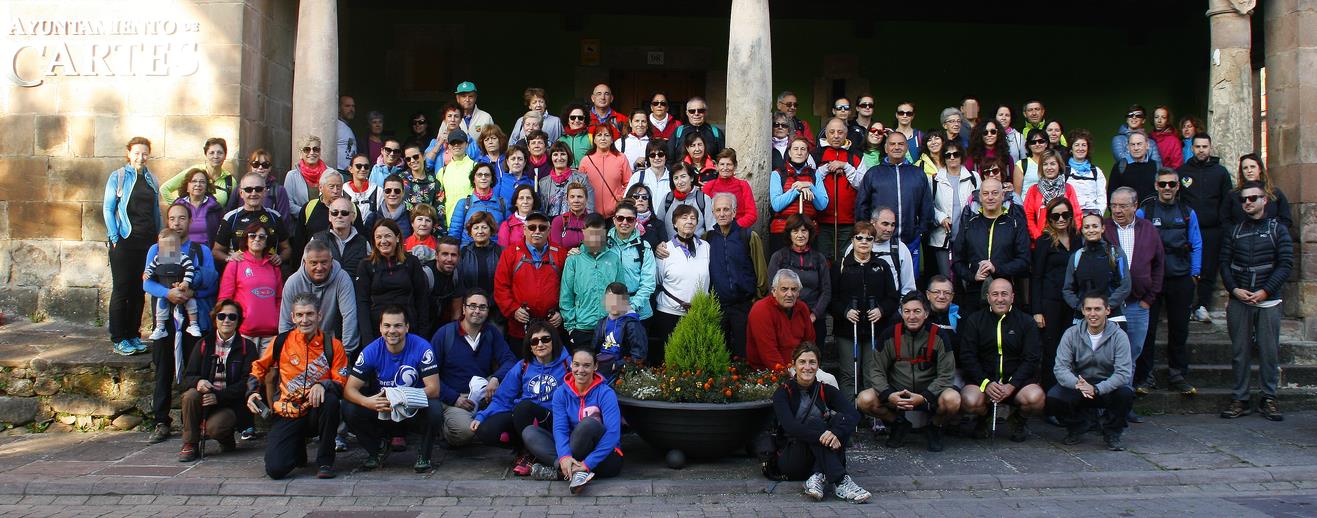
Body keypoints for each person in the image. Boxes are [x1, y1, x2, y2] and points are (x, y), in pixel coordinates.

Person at [246, 293, 347, 479]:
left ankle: (325, 461)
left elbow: (341, 383)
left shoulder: (333, 346)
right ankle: (297, 449)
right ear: (292, 317)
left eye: (310, 314)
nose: (305, 320)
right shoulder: (280, 341)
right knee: (275, 470)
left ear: (319, 315)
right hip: (288, 410)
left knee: (331, 400)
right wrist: (251, 392)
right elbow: (259, 367)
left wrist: (323, 385)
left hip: (316, 411)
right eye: (300, 315)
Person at [143, 204, 219, 442]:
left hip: (193, 319)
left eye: (182, 218)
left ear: (190, 221)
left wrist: (190, 288)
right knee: (164, 368)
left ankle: (195, 421)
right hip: (166, 321)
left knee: (194, 370)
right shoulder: (158, 248)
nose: (177, 223)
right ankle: (161, 421)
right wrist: (168, 294)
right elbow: (148, 282)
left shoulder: (199, 250)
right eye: (172, 218)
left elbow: (211, 280)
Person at [1219, 182, 1294, 421]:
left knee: (1269, 352)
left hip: (1268, 300)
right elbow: (1224, 263)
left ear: (1265, 201)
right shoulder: (1234, 230)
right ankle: (1240, 398)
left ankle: (1269, 397)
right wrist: (1234, 289)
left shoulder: (1278, 229)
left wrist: (1265, 291)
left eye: (1253, 198)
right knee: (1240, 352)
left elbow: (1285, 264)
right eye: (1244, 200)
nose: (1248, 203)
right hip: (1240, 299)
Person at [341, 306, 443, 472]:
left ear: (407, 327)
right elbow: (349, 389)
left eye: (398, 326)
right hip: (383, 409)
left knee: (435, 409)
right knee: (348, 407)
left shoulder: (422, 347)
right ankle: (377, 449)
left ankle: (424, 455)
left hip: (412, 408)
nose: (392, 331)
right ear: (380, 327)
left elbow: (434, 389)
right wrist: (367, 402)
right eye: (387, 325)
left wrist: (399, 397)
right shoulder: (371, 351)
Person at [856, 292, 960, 452]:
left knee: (953, 399)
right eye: (907, 311)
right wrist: (889, 394)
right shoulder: (889, 335)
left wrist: (925, 396)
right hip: (897, 393)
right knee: (864, 399)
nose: (912, 316)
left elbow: (946, 374)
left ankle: (935, 426)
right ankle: (898, 423)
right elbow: (876, 371)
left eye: (917, 311)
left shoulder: (939, 335)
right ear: (901, 312)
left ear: (926, 313)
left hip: (929, 394)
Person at [767, 342, 869, 503]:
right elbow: (791, 427)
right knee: (817, 424)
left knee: (838, 422)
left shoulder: (825, 389)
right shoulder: (783, 393)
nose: (807, 367)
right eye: (802, 362)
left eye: (812, 362)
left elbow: (853, 415)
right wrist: (825, 435)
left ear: (818, 366)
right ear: (793, 365)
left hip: (818, 455)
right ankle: (841, 480)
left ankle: (817, 476)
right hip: (793, 458)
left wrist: (835, 432)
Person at [1135, 169, 1202, 396]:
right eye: (1162, 184)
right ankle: (1145, 376)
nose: (1167, 188)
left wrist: (1195, 273)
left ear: (1177, 187)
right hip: (1153, 279)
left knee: (1179, 329)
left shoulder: (1187, 212)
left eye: (1171, 184)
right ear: (1156, 186)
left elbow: (1197, 243)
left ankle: (1178, 374)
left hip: (1180, 277)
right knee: (1148, 330)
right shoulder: (1146, 211)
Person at [472, 322, 570, 475]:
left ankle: (529, 454)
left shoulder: (567, 364)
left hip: (553, 418)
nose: (540, 344)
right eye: (534, 341)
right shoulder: (523, 365)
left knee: (524, 408)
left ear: (554, 341)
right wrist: (482, 415)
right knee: (486, 429)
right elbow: (502, 398)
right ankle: (525, 450)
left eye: (545, 339)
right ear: (530, 346)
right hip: (525, 418)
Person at [524, 349, 624, 493]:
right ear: (571, 365)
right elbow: (560, 429)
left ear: (595, 367)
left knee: (588, 424)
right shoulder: (561, 393)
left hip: (605, 458)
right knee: (530, 432)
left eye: (586, 365)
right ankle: (572, 471)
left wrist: (587, 464)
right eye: (576, 364)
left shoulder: (606, 393)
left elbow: (613, 434)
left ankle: (563, 472)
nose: (580, 370)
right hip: (574, 450)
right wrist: (564, 456)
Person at [958, 278, 1045, 442]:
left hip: (1016, 383)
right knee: (969, 401)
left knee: (1035, 398)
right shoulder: (975, 320)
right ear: (988, 297)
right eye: (995, 294)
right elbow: (967, 356)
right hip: (984, 382)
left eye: (1004, 294)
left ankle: (1018, 419)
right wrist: (986, 383)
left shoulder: (1026, 321)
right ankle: (985, 416)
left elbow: (1032, 358)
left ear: (1012, 297)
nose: (1000, 299)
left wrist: (1011, 385)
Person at [1105, 187, 1165, 423]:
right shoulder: (1104, 228)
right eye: (1114, 205)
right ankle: (1105, 405)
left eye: (1122, 206)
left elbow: (1160, 265)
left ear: (1135, 206)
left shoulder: (1148, 230)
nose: (1117, 210)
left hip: (1139, 304)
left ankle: (1124, 404)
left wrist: (1149, 299)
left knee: (1131, 354)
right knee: (1108, 354)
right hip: (1111, 305)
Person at [429, 289, 517, 447]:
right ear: (464, 309)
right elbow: (429, 375)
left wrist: (496, 378)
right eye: (473, 306)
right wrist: (454, 397)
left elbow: (510, 360)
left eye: (482, 307)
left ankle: (482, 423)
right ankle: (444, 427)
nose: (477, 311)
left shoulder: (491, 333)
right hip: (454, 399)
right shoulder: (445, 334)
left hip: (483, 395)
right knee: (465, 432)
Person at [1048, 292, 1135, 450]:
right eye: (1088, 309)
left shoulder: (1119, 336)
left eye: (1097, 309)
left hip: (1107, 387)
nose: (1092, 314)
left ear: (1107, 310)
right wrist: (1078, 384)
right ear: (1082, 311)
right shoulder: (1071, 334)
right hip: (1079, 386)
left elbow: (1123, 373)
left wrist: (1097, 388)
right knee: (1054, 397)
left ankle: (1112, 432)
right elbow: (1060, 368)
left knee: (1126, 394)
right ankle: (1078, 426)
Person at [177, 299, 258, 462]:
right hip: (204, 399)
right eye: (221, 316)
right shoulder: (203, 344)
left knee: (214, 428)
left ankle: (225, 436)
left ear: (238, 321)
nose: (226, 320)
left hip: (230, 404)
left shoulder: (247, 347)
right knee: (190, 396)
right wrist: (199, 382)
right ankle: (190, 444)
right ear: (215, 319)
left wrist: (219, 396)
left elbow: (247, 382)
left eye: (232, 317)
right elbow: (187, 377)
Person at [105, 136, 162, 356]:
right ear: (129, 153)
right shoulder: (118, 177)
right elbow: (108, 208)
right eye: (137, 152)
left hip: (146, 242)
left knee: (140, 290)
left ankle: (133, 335)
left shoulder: (151, 179)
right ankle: (119, 338)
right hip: (125, 240)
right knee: (122, 289)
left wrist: (159, 237)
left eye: (145, 153)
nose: (141, 157)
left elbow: (155, 211)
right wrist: (115, 238)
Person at [829, 221, 899, 396]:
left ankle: (871, 414)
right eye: (859, 237)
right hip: (847, 330)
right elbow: (831, 298)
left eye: (869, 238)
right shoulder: (841, 265)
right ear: (852, 240)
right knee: (848, 373)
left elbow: (893, 298)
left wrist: (881, 310)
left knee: (871, 373)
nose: (864, 242)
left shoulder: (881, 266)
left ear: (873, 241)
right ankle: (850, 415)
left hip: (874, 329)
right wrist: (845, 312)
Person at [856, 131, 933, 272]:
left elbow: (926, 206)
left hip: (910, 240)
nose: (896, 147)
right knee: (880, 279)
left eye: (901, 144)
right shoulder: (873, 173)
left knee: (909, 283)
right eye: (892, 144)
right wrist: (868, 232)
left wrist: (920, 231)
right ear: (885, 148)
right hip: (878, 241)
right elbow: (862, 206)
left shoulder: (918, 174)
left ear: (907, 148)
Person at [952, 178, 1030, 316]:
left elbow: (1024, 261)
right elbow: (957, 261)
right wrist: (972, 276)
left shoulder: (1015, 224)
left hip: (1006, 294)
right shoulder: (969, 224)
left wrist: (997, 269)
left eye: (994, 193)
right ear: (980, 197)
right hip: (975, 294)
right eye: (986, 193)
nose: (990, 197)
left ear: (1002, 196)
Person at [702, 193, 767, 358]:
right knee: (720, 353)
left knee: (744, 352)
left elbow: (761, 271)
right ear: (713, 213)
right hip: (718, 306)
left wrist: (756, 300)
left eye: (726, 209)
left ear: (734, 212)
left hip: (743, 305)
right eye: (718, 210)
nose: (722, 213)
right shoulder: (707, 239)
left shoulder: (748, 236)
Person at [1177, 133, 1233, 323]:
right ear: (1192, 148)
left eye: (1205, 147)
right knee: (1187, 268)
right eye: (1198, 147)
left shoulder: (1220, 172)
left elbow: (1227, 201)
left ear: (1210, 148)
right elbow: (1178, 200)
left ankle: (1202, 306)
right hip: (1187, 230)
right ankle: (1184, 306)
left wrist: (1224, 226)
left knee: (1208, 269)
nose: (1201, 150)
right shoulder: (1182, 172)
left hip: (1212, 229)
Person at [494, 212, 568, 341]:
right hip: (520, 329)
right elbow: (501, 287)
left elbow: (570, 289)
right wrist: (513, 310)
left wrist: (562, 313)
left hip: (552, 327)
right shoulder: (510, 253)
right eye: (532, 227)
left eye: (542, 228)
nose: (537, 231)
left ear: (549, 230)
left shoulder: (561, 254)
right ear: (524, 229)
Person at [279, 239, 360, 356]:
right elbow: (285, 323)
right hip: (299, 348)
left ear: (331, 261)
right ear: (304, 261)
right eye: (314, 263)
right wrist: (289, 352)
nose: (319, 267)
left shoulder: (342, 278)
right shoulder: (293, 282)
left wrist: (345, 352)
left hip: (331, 347)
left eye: (324, 262)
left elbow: (349, 316)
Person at [356, 219, 431, 343]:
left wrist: (422, 337)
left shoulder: (411, 262)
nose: (383, 241)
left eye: (388, 236)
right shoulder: (366, 265)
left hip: (409, 329)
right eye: (378, 237)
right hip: (378, 331)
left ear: (397, 238)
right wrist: (367, 340)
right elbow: (362, 303)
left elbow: (422, 299)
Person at [1032, 198, 1079, 389]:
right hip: (1050, 302)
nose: (1061, 219)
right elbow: (1036, 276)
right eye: (1056, 216)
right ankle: (1050, 396)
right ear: (1049, 219)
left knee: (1072, 349)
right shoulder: (1044, 241)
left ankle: (1069, 395)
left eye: (1065, 215)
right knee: (1052, 350)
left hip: (1073, 302)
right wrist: (1037, 310)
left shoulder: (1078, 239)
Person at [651, 204, 711, 354]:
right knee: (672, 356)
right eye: (684, 218)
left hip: (698, 312)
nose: (689, 221)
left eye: (693, 218)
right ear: (674, 223)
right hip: (669, 313)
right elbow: (658, 281)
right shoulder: (665, 250)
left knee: (696, 355)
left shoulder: (705, 247)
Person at [560, 214, 624, 349]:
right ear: (584, 232)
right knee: (582, 367)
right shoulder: (574, 260)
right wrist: (571, 327)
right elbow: (566, 295)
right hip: (582, 327)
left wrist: (618, 322)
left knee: (606, 367)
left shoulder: (613, 258)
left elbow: (621, 292)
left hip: (609, 326)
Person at [1062, 213, 1132, 332]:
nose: (1091, 230)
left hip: (1113, 316)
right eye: (1087, 227)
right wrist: (1082, 307)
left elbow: (1125, 285)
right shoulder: (1076, 256)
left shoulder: (1116, 253)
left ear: (1102, 228)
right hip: (1082, 317)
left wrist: (1104, 307)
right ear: (1082, 230)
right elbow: (1067, 289)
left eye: (1095, 226)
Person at [767, 215, 831, 343]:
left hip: (814, 318)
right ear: (789, 234)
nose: (800, 235)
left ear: (810, 233)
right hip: (786, 316)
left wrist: (814, 314)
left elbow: (826, 291)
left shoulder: (819, 258)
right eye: (795, 231)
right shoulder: (779, 257)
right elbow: (772, 289)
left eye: (804, 230)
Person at [217, 223, 281, 349]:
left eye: (262, 237)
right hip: (243, 333)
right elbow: (225, 299)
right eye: (252, 236)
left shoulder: (273, 265)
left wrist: (278, 321)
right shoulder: (235, 263)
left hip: (271, 334)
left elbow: (279, 299)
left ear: (267, 240)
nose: (257, 239)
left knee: (268, 369)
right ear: (246, 239)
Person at [213, 173, 291, 268]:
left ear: (265, 192)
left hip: (268, 273)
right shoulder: (230, 218)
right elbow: (216, 251)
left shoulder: (275, 217)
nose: (253, 193)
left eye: (258, 189)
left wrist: (280, 258)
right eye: (248, 190)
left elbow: (287, 248)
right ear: (241, 193)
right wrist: (229, 258)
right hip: (238, 274)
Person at [813, 120, 864, 261]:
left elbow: (861, 183)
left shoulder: (856, 155)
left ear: (846, 134)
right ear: (826, 134)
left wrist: (846, 166)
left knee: (845, 259)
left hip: (848, 220)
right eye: (832, 132)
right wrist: (827, 168)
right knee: (823, 260)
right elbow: (811, 180)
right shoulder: (816, 154)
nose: (836, 136)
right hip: (822, 220)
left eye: (840, 132)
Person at [746, 269, 816, 371]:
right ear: (774, 291)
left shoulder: (802, 308)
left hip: (800, 367)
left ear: (798, 293)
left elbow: (809, 343)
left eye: (793, 289)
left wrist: (809, 367)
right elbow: (768, 352)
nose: (789, 294)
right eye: (784, 289)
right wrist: (787, 378)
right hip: (770, 371)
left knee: (829, 380)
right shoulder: (761, 310)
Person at [770, 138, 829, 254]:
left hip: (807, 230)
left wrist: (810, 186)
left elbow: (822, 205)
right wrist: (797, 189)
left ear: (807, 154)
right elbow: (776, 205)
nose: (799, 152)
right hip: (782, 229)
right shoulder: (777, 174)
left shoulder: (814, 174)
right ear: (789, 152)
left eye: (803, 149)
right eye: (795, 149)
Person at [929, 142, 978, 278]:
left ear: (961, 156)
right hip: (943, 236)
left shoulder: (973, 177)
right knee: (947, 279)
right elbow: (928, 206)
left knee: (968, 278)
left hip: (969, 236)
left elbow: (980, 202)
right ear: (943, 158)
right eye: (948, 155)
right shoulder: (934, 180)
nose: (952, 158)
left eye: (955, 154)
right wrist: (941, 218)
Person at [145, 231, 203, 340]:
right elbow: (150, 267)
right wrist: (146, 274)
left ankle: (193, 324)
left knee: (192, 303)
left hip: (182, 289)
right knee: (160, 304)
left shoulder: (182, 257)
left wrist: (186, 282)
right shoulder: (158, 258)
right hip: (166, 291)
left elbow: (190, 269)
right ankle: (160, 327)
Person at [606, 201, 657, 321]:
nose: (624, 222)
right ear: (614, 220)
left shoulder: (644, 247)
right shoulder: (604, 245)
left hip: (638, 313)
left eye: (629, 219)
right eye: (620, 218)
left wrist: (631, 307)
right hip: (608, 311)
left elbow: (648, 283)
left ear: (635, 222)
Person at [591, 282, 648, 381]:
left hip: (619, 373)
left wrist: (617, 365)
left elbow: (639, 356)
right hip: (599, 368)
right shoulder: (602, 322)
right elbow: (593, 349)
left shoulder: (632, 324)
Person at [1023, 149, 1082, 240]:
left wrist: (1071, 236)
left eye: (1053, 164)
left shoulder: (1068, 188)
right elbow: (1028, 218)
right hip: (1042, 240)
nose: (1049, 168)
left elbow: (1076, 215)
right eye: (1045, 164)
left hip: (1067, 239)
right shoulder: (1034, 190)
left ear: (1059, 166)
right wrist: (1039, 238)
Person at [161, 137, 236, 207]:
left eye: (220, 153)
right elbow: (164, 189)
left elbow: (232, 207)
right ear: (206, 155)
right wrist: (180, 209)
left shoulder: (230, 181)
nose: (215, 156)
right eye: (211, 153)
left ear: (225, 155)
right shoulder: (194, 172)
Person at [454, 211, 503, 316]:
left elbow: (504, 283)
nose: (480, 231)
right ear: (470, 232)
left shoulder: (501, 252)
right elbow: (460, 282)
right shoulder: (463, 253)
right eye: (476, 228)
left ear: (491, 230)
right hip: (470, 308)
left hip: (496, 308)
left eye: (484, 227)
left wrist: (490, 302)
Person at [1228, 153, 1293, 230]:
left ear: (1260, 169)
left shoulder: (1274, 193)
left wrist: (1274, 232)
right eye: (1245, 168)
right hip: (1242, 239)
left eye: (1252, 167)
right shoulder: (1233, 195)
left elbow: (1286, 219)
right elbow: (1225, 220)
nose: (1249, 171)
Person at [579, 124, 632, 218]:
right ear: (594, 140)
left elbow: (629, 183)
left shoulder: (621, 158)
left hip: (616, 214)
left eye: (607, 135)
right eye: (599, 135)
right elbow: (580, 187)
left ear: (612, 140)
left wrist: (620, 197)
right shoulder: (586, 160)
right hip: (591, 215)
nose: (603, 138)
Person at [449, 163, 508, 246]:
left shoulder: (503, 204)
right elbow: (454, 233)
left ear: (492, 179)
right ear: (474, 179)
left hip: (495, 253)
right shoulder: (463, 204)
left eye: (487, 175)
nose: (483, 177)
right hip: (468, 253)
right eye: (479, 175)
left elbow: (508, 232)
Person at [292, 170, 346, 259]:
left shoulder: (350, 209)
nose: (336, 191)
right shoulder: (309, 207)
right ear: (321, 188)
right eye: (331, 187)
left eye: (339, 187)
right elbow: (299, 242)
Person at [313, 197, 368, 279]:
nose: (339, 216)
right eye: (334, 213)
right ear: (329, 216)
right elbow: (306, 271)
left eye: (344, 213)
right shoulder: (316, 240)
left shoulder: (363, 243)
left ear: (353, 216)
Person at [703, 149, 757, 229]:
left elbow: (752, 214)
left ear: (735, 166)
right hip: (715, 231)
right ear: (716, 166)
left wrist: (733, 227)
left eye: (729, 164)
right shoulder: (709, 186)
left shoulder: (743, 185)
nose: (725, 168)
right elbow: (704, 213)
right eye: (722, 164)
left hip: (738, 231)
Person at [659, 163, 714, 238]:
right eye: (676, 178)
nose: (680, 182)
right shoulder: (668, 199)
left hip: (697, 247)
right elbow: (658, 226)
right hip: (671, 248)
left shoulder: (703, 199)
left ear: (691, 178)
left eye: (683, 177)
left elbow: (711, 229)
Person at [539, 143, 593, 218]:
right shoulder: (543, 183)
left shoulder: (581, 179)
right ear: (551, 158)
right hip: (550, 225)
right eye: (555, 155)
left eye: (563, 154)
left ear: (568, 157)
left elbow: (590, 208)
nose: (559, 158)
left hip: (575, 225)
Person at [171, 168, 224, 246]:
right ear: (187, 186)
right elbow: (168, 233)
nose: (198, 184)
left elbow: (222, 236)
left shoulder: (215, 207)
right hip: (181, 252)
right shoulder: (178, 206)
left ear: (206, 186)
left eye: (202, 182)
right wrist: (168, 257)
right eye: (194, 181)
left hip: (207, 252)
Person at [870, 207, 916, 295]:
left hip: (893, 305)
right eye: (885, 224)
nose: (889, 229)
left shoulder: (901, 249)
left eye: (893, 225)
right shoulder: (857, 245)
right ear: (873, 223)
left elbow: (908, 288)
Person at [284, 135, 335, 215]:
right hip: (301, 222)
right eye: (307, 149)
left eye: (315, 149)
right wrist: (309, 214)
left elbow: (337, 199)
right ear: (301, 153)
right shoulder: (291, 176)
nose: (312, 153)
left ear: (320, 152)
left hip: (327, 221)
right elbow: (288, 203)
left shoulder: (331, 174)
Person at [1108, 130, 1160, 204]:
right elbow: (1111, 194)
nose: (1136, 148)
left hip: (1150, 212)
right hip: (1126, 213)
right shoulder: (1120, 167)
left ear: (1147, 145)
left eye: (1139, 144)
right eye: (1133, 144)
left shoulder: (1155, 166)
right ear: (1128, 147)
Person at [438, 129, 476, 229]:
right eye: (453, 143)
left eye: (459, 142)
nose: (456, 145)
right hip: (449, 224)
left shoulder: (475, 167)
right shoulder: (442, 171)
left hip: (472, 222)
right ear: (449, 146)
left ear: (467, 144)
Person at [1065, 130, 1107, 215]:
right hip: (1071, 217)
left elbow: (1102, 198)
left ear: (1088, 148)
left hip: (1092, 217)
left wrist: (1097, 216)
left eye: (1083, 145)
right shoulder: (1064, 171)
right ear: (1071, 149)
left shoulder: (1096, 171)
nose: (1080, 148)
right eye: (1077, 145)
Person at [401, 144, 444, 223]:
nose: (412, 161)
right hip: (406, 228)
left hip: (428, 228)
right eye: (408, 159)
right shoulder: (400, 180)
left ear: (424, 156)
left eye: (415, 156)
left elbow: (440, 211)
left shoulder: (434, 182)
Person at [671, 96, 724, 161]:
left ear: (706, 112)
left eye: (700, 110)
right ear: (687, 113)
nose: (696, 113)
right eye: (692, 111)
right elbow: (669, 159)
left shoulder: (716, 133)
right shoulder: (678, 132)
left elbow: (723, 159)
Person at [427, 236, 462, 325]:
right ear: (436, 256)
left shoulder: (457, 275)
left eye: (453, 255)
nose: (449, 259)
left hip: (443, 324)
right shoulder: (425, 275)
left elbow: (456, 313)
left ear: (458, 257)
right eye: (445, 254)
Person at [628, 139, 672, 211]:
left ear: (666, 156)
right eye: (652, 155)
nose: (656, 158)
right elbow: (627, 201)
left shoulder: (673, 178)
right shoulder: (637, 177)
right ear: (648, 157)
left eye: (660, 154)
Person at [493, 144, 536, 211]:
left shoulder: (532, 184)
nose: (516, 162)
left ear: (525, 162)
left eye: (520, 159)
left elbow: (537, 207)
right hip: (505, 220)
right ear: (507, 162)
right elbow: (494, 208)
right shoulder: (498, 182)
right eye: (513, 159)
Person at [550, 182, 591, 250]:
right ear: (567, 200)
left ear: (586, 199)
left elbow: (597, 251)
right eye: (572, 197)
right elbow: (555, 250)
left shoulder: (594, 221)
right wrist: (568, 253)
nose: (576, 200)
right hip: (564, 259)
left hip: (587, 259)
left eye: (579, 197)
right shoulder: (558, 221)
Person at [625, 183, 666, 249]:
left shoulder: (658, 224)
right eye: (636, 197)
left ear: (648, 203)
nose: (640, 199)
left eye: (644, 197)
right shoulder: (620, 220)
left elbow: (664, 246)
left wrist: (658, 249)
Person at [498, 184, 538, 249]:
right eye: (521, 198)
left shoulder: (542, 223)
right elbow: (503, 252)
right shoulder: (507, 225)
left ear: (533, 202)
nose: (525, 201)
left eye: (528, 198)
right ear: (516, 202)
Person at [344, 153, 380, 225]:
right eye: (359, 166)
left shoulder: (378, 190)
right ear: (350, 169)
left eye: (366, 166)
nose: (363, 169)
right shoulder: (342, 190)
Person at [1013, 131, 1049, 196]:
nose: (1037, 144)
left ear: (1046, 144)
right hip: (1027, 204)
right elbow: (1017, 196)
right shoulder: (1021, 164)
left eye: (1041, 141)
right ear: (1029, 146)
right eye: (1033, 142)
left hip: (1050, 204)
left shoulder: (1053, 164)